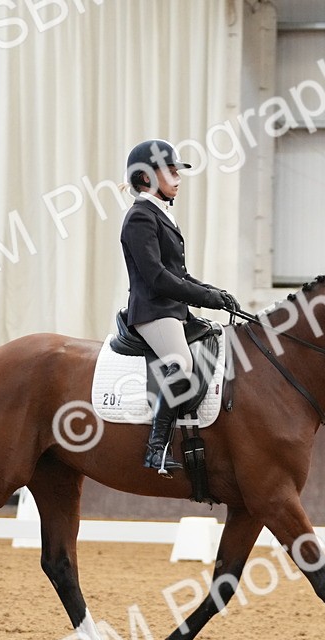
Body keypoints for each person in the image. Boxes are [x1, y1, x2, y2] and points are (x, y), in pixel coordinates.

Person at [120, 138, 238, 475]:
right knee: (180, 363)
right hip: (152, 311)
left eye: (177, 171)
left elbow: (180, 275)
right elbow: (157, 278)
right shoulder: (139, 218)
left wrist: (214, 292)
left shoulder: (161, 215)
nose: (178, 177)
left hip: (172, 310)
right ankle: (156, 449)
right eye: (170, 171)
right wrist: (203, 298)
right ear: (146, 178)